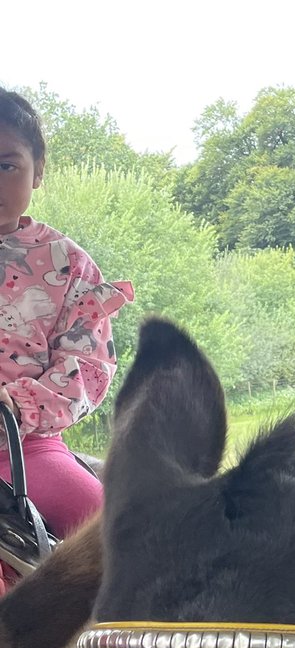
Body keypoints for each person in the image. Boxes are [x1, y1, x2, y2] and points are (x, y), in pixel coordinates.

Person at [0, 88, 133, 591]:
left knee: (115, 538)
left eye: (7, 164)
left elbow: (87, 363)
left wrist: (18, 404)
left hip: (31, 448)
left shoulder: (66, 264)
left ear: (37, 171)